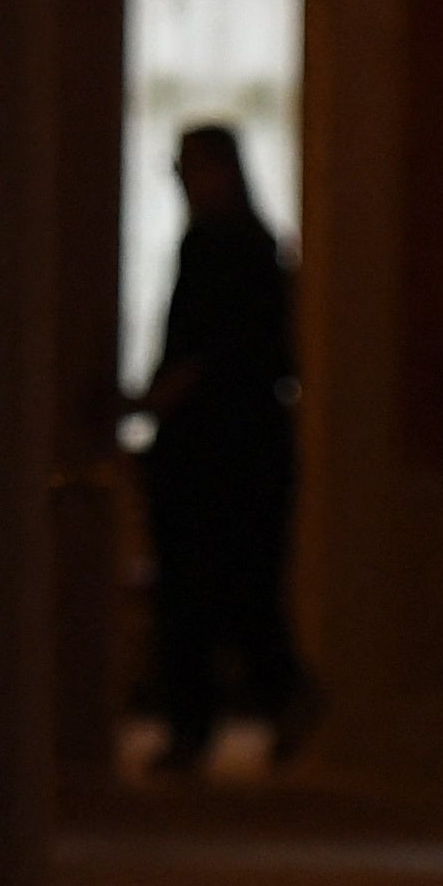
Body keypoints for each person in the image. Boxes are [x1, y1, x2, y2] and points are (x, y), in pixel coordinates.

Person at [128, 123, 311, 769]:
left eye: (188, 167)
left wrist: (150, 404)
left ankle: (204, 723)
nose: (181, 179)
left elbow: (208, 353)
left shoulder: (219, 244)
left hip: (215, 446)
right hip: (244, 441)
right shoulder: (254, 244)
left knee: (202, 589)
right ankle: (267, 701)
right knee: (237, 587)